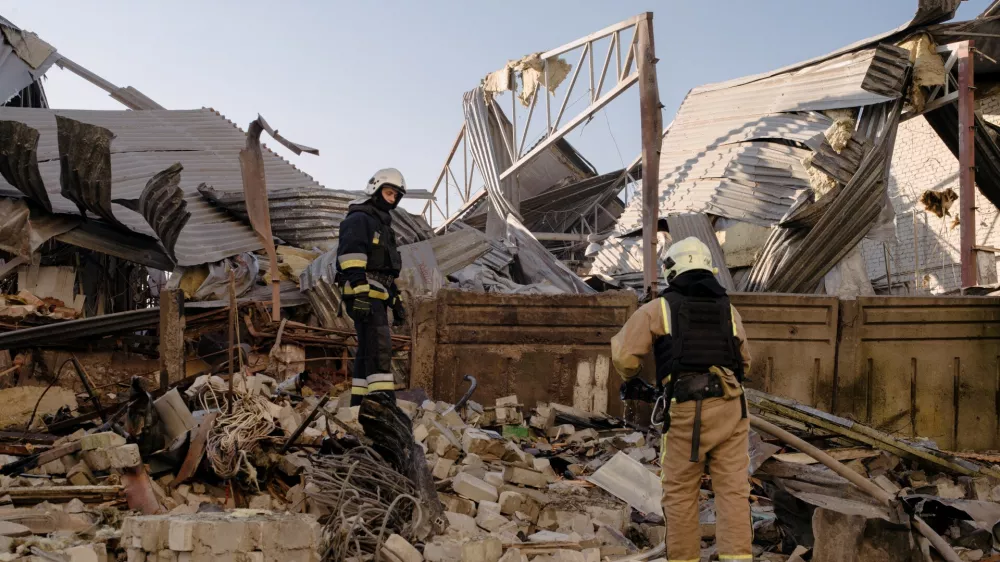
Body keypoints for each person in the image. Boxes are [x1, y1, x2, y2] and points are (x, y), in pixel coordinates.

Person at [611, 237, 753, 562]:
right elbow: (745, 361)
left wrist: (634, 377)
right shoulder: (728, 310)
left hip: (689, 408)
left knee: (680, 492)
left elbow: (625, 356)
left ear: (672, 271)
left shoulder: (659, 308)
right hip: (732, 405)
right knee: (732, 490)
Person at [336, 168, 408, 406]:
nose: (392, 199)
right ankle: (382, 402)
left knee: (368, 347)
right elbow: (351, 257)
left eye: (395, 196)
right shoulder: (360, 219)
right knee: (379, 346)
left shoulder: (382, 225)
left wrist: (395, 300)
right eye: (388, 193)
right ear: (374, 189)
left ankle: (359, 403)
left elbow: (384, 270)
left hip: (374, 294)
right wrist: (360, 292)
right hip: (362, 293)